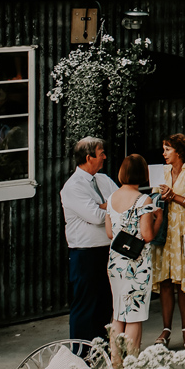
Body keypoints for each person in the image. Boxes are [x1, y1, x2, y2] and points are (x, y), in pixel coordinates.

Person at [61, 137, 120, 344]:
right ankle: (81, 353)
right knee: (85, 304)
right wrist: (108, 206)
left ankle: (101, 349)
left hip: (108, 250)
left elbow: (121, 203)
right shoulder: (73, 187)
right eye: (101, 152)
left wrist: (105, 206)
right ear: (89, 157)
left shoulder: (104, 179)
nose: (104, 156)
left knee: (105, 302)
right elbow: (96, 216)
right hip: (85, 253)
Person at [105, 154, 163, 365]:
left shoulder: (111, 199)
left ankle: (116, 362)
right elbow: (147, 235)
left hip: (115, 261)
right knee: (134, 314)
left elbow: (110, 233)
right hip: (136, 264)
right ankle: (131, 364)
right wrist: (159, 220)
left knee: (118, 312)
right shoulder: (144, 200)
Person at [151, 134, 185, 352]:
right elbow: (153, 200)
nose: (163, 153)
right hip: (165, 230)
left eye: (167, 149)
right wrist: (160, 198)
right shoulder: (160, 171)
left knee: (184, 282)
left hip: (184, 229)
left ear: (179, 152)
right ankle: (166, 330)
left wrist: (174, 197)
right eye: (163, 149)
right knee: (165, 280)